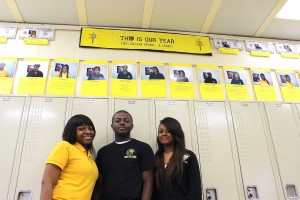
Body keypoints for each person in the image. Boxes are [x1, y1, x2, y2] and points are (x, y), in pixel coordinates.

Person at [93, 110, 155, 200]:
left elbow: (148, 183)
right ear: (112, 126)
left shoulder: (143, 148)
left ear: (132, 126)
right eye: (117, 121)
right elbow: (99, 184)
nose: (122, 123)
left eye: (126, 121)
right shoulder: (103, 151)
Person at [40, 114, 98, 200]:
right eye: (81, 129)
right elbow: (48, 181)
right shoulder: (64, 146)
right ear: (72, 131)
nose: (88, 131)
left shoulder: (90, 156)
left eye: (91, 128)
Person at [152, 117, 202, 200]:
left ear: (176, 133)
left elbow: (195, 192)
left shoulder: (188, 156)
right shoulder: (156, 158)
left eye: (168, 131)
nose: (163, 134)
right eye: (161, 131)